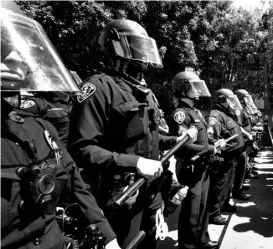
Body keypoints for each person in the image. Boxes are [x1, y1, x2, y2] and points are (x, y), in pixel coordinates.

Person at [67, 18, 195, 248]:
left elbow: (150, 139)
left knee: (150, 242)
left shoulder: (145, 93)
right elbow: (81, 148)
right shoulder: (99, 88)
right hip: (121, 195)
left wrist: (175, 140)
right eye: (137, 47)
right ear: (118, 48)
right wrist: (134, 162)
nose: (144, 56)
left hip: (151, 191)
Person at [1, 5, 119, 249]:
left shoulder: (40, 127)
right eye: (2, 47)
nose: (16, 58)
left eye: (17, 48)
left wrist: (108, 236)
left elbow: (76, 183)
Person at [167, 71, 223, 249]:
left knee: (202, 206)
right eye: (193, 85)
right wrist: (210, 149)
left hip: (202, 166)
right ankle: (188, 245)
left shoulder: (195, 111)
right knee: (191, 211)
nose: (198, 89)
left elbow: (202, 137)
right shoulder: (180, 114)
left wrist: (214, 142)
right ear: (183, 88)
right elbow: (182, 146)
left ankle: (202, 240)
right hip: (190, 167)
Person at [207, 89, 245, 225]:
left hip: (231, 158)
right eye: (229, 99)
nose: (232, 102)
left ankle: (225, 204)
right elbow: (211, 136)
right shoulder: (215, 115)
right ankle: (213, 213)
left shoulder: (227, 113)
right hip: (222, 158)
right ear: (222, 99)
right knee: (218, 185)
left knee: (227, 184)